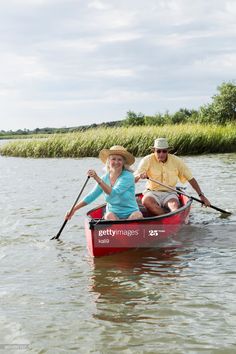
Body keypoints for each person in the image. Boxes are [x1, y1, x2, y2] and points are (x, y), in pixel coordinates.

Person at [134, 137, 211, 216]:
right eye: (158, 151)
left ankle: (169, 217)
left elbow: (190, 178)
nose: (161, 154)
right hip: (152, 192)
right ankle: (167, 217)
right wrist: (139, 176)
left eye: (164, 151)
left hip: (170, 193)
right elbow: (133, 179)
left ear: (168, 151)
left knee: (174, 207)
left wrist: (201, 196)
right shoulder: (147, 160)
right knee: (146, 201)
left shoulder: (177, 161)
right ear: (154, 151)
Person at [66, 145, 143, 221]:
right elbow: (91, 196)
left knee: (137, 216)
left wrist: (97, 178)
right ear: (109, 161)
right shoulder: (104, 178)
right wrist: (73, 209)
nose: (116, 162)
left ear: (123, 162)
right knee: (109, 215)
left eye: (119, 159)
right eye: (113, 159)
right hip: (113, 214)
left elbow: (114, 193)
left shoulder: (128, 176)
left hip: (131, 213)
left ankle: (128, 229)